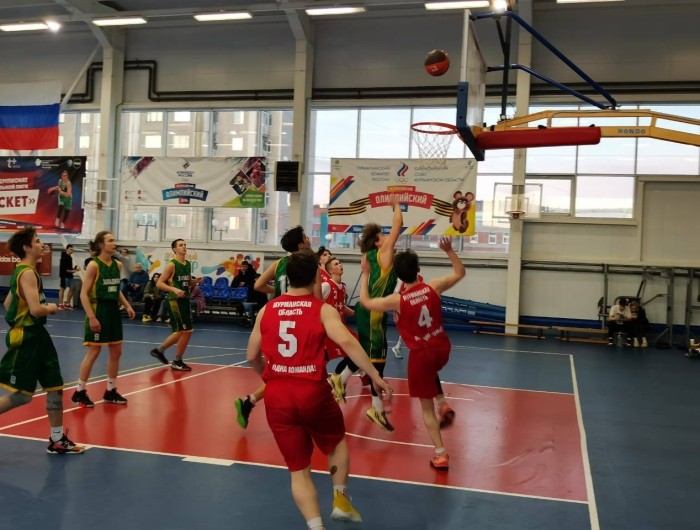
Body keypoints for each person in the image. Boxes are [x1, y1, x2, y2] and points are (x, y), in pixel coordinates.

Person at [246, 249, 393, 530]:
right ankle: (340, 498)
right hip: (311, 391)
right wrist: (375, 375)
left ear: (287, 278)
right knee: (335, 442)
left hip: (277, 396)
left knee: (298, 470)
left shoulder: (267, 310)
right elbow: (348, 343)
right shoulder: (321, 309)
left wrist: (267, 377)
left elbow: (251, 354)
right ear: (316, 276)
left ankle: (316, 526)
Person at [359, 237, 465, 470]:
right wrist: (449, 250)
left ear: (397, 274)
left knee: (426, 410)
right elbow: (460, 273)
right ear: (419, 270)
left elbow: (366, 302)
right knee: (431, 371)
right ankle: (442, 402)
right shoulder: (433, 286)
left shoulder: (397, 300)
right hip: (442, 347)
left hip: (421, 354)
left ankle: (440, 454)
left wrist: (365, 273)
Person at [0, 227, 85, 454]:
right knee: (22, 397)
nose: (42, 244)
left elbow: (8, 304)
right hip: (26, 338)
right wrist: (52, 307)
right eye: (37, 241)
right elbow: (36, 310)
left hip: (39, 336)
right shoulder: (26, 273)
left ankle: (57, 439)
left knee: (55, 386)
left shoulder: (24, 271)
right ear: (27, 247)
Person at [234, 225, 318, 428]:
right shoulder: (309, 264)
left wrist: (279, 292)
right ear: (301, 244)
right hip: (301, 319)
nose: (309, 239)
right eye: (306, 237)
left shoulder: (279, 263)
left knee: (283, 369)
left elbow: (258, 286)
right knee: (300, 370)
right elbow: (317, 299)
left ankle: (249, 401)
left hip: (278, 318)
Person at [353, 194, 403, 431]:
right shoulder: (382, 253)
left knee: (371, 358)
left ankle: (376, 406)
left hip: (369, 309)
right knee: (376, 361)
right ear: (376, 243)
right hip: (372, 312)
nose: (387, 238)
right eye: (382, 236)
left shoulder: (369, 256)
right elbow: (398, 225)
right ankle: (341, 380)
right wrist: (396, 205)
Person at [71, 231, 135, 408]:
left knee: (117, 352)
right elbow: (83, 294)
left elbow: (116, 289)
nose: (114, 243)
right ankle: (79, 391)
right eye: (110, 240)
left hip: (113, 311)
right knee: (93, 352)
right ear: (101, 244)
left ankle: (110, 390)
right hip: (98, 309)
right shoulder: (94, 265)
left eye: (114, 240)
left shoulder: (117, 264)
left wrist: (127, 305)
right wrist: (92, 317)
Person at [149, 239, 196, 371]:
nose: (184, 247)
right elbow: (159, 283)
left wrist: (195, 282)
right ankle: (176, 360)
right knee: (182, 331)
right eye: (181, 245)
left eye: (185, 245)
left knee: (186, 332)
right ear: (174, 249)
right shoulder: (172, 265)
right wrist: (174, 289)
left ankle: (160, 351)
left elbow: (187, 283)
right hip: (175, 300)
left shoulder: (187, 264)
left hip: (185, 300)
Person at [324, 257, 359, 403]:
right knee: (322, 359)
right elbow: (316, 302)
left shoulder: (342, 287)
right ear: (331, 270)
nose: (340, 265)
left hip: (342, 326)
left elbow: (341, 306)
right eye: (336, 264)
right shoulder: (326, 286)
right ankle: (332, 381)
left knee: (357, 353)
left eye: (340, 263)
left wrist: (357, 313)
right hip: (330, 328)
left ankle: (336, 378)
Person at [390, 274, 424, 359]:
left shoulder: (420, 279)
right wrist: (395, 307)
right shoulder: (402, 278)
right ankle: (411, 349)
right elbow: (395, 293)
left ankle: (398, 347)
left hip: (414, 307)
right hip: (403, 307)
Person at [58, 244, 78, 310]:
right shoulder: (63, 258)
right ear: (67, 249)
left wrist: (74, 269)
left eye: (72, 249)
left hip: (70, 276)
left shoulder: (70, 257)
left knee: (72, 288)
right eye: (70, 249)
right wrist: (73, 271)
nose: (72, 250)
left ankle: (67, 304)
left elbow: (69, 268)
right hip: (64, 276)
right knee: (62, 289)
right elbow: (65, 269)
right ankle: (60, 305)